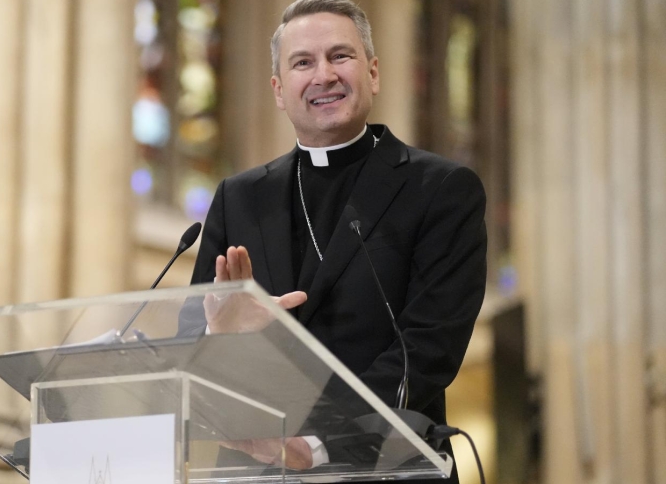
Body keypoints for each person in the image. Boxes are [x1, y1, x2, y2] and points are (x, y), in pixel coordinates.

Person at [187, 0, 487, 481]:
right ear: (279, 90)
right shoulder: (238, 198)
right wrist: (220, 338)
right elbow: (192, 343)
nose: (323, 75)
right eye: (303, 62)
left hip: (385, 464)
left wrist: (317, 444)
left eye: (340, 56)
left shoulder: (441, 190)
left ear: (372, 73)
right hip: (259, 471)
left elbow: (430, 347)